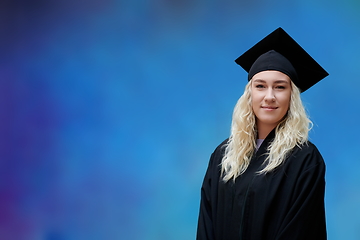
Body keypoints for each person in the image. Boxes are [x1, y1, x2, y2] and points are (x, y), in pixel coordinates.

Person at [196, 27, 329, 240]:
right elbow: (206, 224)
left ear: (291, 97)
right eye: (260, 86)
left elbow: (302, 231)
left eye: (280, 87)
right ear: (249, 95)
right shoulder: (223, 156)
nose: (269, 96)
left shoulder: (305, 159)